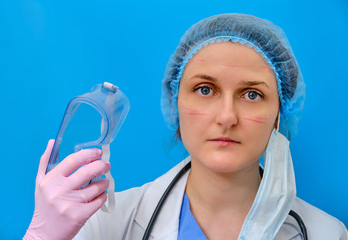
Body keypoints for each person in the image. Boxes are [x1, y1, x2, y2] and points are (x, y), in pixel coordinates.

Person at [24, 13, 348, 240]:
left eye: (252, 94)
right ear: (175, 103)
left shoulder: (326, 234)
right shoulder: (105, 226)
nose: (226, 117)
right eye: (204, 89)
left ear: (281, 112)